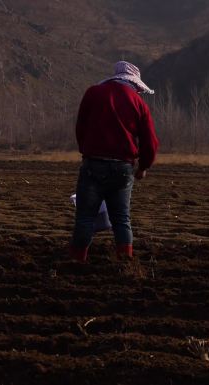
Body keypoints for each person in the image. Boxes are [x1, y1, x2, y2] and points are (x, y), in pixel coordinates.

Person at [69, 61, 159, 262]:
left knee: (85, 217)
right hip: (123, 168)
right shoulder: (138, 102)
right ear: (134, 84)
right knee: (121, 220)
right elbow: (150, 141)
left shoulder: (93, 93)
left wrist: (87, 151)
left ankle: (76, 262)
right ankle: (125, 263)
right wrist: (143, 167)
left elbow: (80, 127)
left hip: (93, 165)